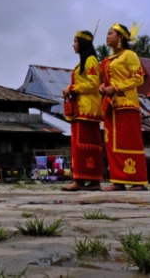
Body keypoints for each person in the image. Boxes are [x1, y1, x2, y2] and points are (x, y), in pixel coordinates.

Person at [99, 23, 148, 191]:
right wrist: (103, 87)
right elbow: (107, 81)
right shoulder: (107, 60)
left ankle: (137, 181)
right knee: (111, 143)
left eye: (110, 33)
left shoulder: (130, 55)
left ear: (120, 37)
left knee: (129, 142)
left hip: (127, 104)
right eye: (107, 33)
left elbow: (139, 79)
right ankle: (118, 180)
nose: (107, 36)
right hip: (111, 106)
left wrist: (117, 87)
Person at [61, 30, 104, 191]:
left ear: (82, 43)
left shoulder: (91, 61)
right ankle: (90, 180)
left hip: (87, 109)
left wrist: (73, 87)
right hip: (81, 108)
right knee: (83, 144)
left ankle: (83, 180)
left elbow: (93, 83)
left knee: (83, 145)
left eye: (75, 41)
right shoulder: (82, 63)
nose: (73, 45)